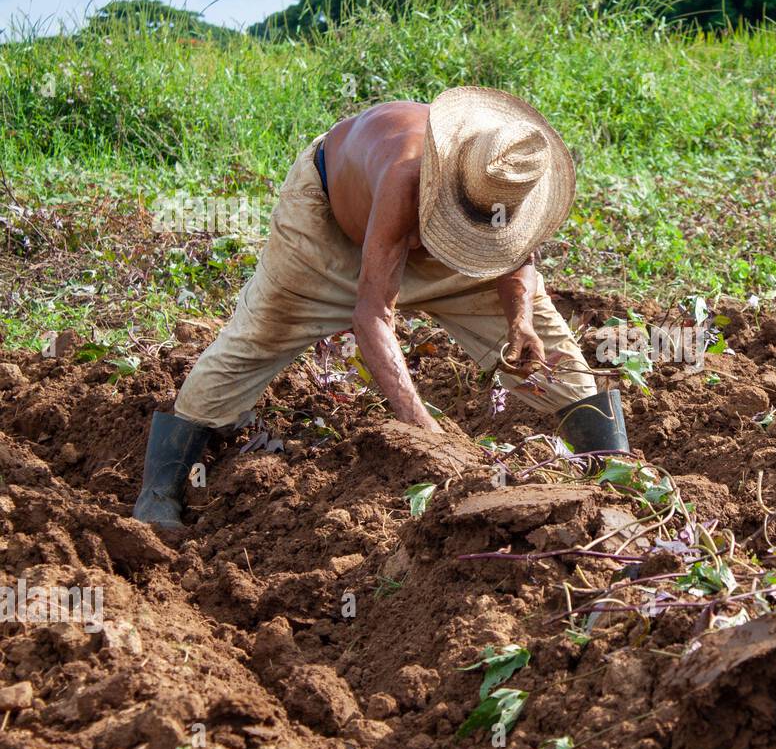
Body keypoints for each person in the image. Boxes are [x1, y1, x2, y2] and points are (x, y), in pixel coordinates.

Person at [134, 87, 626, 529]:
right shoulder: (408, 175)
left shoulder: (514, 173)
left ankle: (617, 482)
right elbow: (372, 314)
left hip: (454, 250)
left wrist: (519, 321)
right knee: (259, 335)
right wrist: (424, 431)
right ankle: (160, 492)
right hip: (327, 236)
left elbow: (518, 250)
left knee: (556, 361)